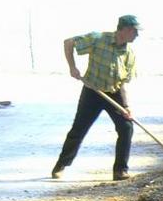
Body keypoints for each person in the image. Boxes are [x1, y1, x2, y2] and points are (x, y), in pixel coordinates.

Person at [51, 14, 140, 181]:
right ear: (126, 30)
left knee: (126, 127)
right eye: (135, 31)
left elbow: (122, 83)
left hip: (114, 93)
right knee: (79, 129)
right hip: (92, 91)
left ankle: (120, 170)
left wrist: (126, 106)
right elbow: (68, 42)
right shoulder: (98, 39)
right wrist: (72, 67)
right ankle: (61, 164)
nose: (137, 35)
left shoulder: (128, 53)